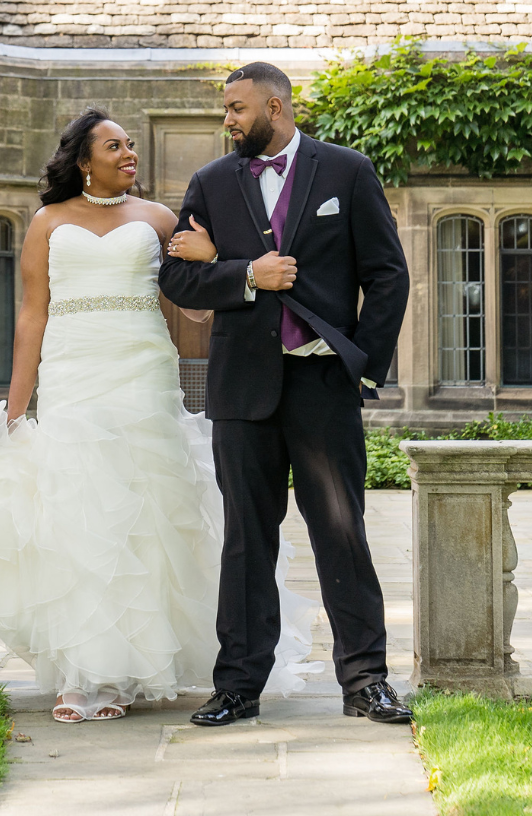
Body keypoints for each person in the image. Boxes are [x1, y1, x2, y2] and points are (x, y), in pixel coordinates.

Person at [0, 108, 318, 724]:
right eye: (114, 146)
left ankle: (128, 671)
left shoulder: (159, 219)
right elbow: (31, 316)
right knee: (80, 517)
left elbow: (199, 298)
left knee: (145, 516)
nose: (130, 156)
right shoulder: (47, 222)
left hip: (143, 375)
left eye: (131, 147)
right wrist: (18, 409)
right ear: (82, 158)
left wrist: (214, 262)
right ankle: (83, 674)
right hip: (73, 377)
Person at [159, 61, 413, 727]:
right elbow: (178, 280)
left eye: (238, 108)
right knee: (246, 539)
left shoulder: (346, 172)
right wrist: (247, 275)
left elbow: (388, 275)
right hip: (242, 390)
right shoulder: (211, 184)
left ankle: (366, 683)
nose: (228, 120)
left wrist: (362, 363)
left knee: (342, 534)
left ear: (277, 107)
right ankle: (239, 686)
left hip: (323, 384)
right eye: (227, 109)